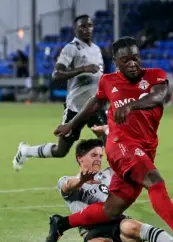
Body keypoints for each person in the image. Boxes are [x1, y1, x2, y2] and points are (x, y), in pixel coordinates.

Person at [43, 36, 173, 242]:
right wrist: (71, 124)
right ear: (116, 61)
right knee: (154, 181)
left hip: (144, 147)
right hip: (120, 144)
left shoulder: (155, 75)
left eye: (136, 58)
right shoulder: (108, 81)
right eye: (126, 60)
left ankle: (61, 224)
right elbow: (95, 103)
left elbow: (158, 97)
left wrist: (132, 105)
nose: (133, 63)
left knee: (112, 209)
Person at [57, 137, 173, 242]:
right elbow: (67, 187)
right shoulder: (67, 180)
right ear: (80, 158)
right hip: (93, 233)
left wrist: (107, 133)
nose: (98, 159)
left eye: (100, 156)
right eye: (93, 155)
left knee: (131, 227)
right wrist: (82, 180)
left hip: (119, 225)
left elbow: (120, 153)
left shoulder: (109, 173)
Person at [12, 15, 105, 170]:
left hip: (94, 106)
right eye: (82, 26)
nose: (86, 29)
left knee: (111, 140)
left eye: (89, 25)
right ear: (75, 29)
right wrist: (83, 69)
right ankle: (25, 151)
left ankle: (113, 181)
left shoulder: (96, 49)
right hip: (76, 107)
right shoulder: (71, 48)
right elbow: (56, 74)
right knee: (60, 151)